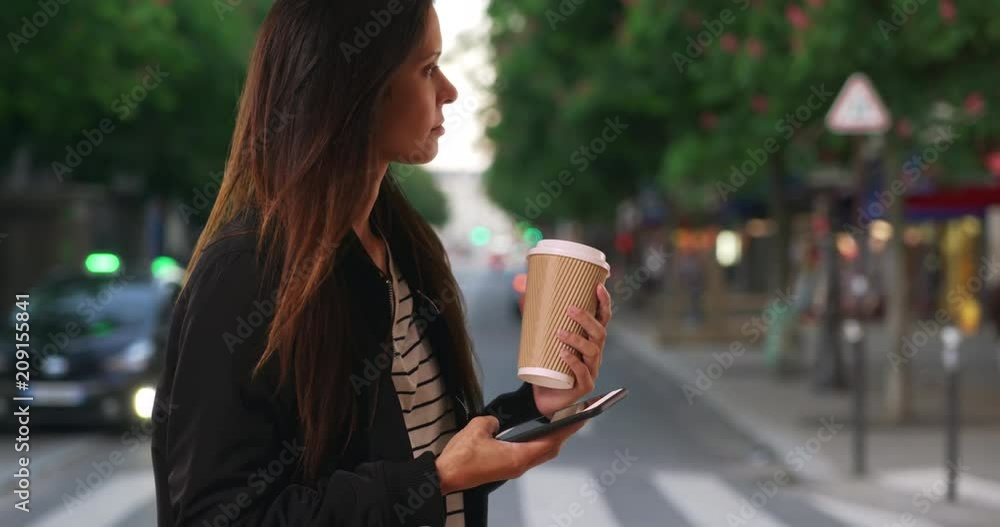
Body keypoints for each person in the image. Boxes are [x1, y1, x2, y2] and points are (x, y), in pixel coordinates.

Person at [149, 1, 614, 526]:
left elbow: (426, 447)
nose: (450, 91)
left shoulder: (405, 248)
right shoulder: (246, 272)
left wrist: (537, 406)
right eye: (427, 67)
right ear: (357, 89)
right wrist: (433, 480)